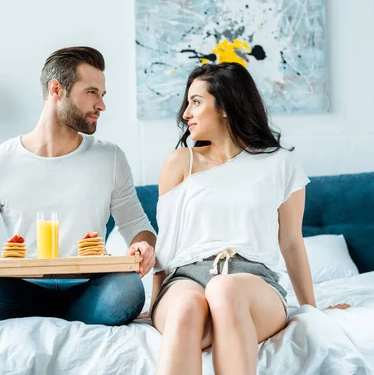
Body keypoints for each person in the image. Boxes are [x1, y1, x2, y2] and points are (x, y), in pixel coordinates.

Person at [0, 46, 156, 375]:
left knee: (127, 290)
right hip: (20, 290)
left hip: (89, 289)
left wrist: (144, 244)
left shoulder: (110, 158)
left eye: (103, 93)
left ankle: (57, 325)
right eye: (92, 92)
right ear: (57, 90)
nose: (102, 104)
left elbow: (137, 224)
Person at [149, 62, 348, 375]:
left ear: (226, 106)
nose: (186, 113)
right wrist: (152, 304)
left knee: (224, 289)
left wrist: (312, 308)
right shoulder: (179, 162)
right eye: (187, 103)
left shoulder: (281, 162)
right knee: (188, 306)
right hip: (186, 279)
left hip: (253, 282)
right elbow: (166, 243)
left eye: (196, 102)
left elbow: (292, 242)